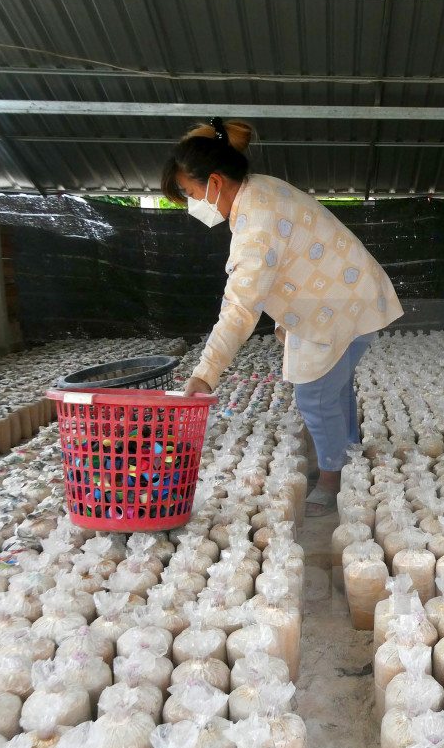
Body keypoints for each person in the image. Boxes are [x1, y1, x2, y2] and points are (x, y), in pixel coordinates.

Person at [164, 118, 403, 515]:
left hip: (339, 305)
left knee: (315, 396)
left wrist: (205, 374)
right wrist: (284, 322)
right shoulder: (260, 189)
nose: (193, 204)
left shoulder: (256, 219)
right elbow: (292, 259)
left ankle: (331, 480)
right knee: (334, 388)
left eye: (190, 193)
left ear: (215, 183)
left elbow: (241, 306)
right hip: (349, 296)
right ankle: (345, 458)